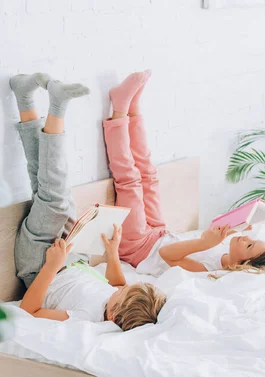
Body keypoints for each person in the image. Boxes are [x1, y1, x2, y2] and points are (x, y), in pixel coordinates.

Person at [103, 70, 265, 282]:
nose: (246, 239)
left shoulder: (207, 271)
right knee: (149, 176)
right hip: (158, 233)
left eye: (249, 246)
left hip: (137, 247)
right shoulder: (224, 253)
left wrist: (205, 243)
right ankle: (133, 109)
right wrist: (227, 230)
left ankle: (120, 109)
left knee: (131, 181)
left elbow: (166, 255)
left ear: (241, 265)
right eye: (253, 240)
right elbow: (196, 242)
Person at [9, 73, 166, 330]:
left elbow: (30, 310)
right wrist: (113, 254)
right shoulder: (118, 300)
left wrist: (52, 266)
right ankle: (24, 96)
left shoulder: (87, 318)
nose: (124, 287)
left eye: (124, 293)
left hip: (40, 265)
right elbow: (116, 285)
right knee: (46, 185)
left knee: (55, 198)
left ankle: (57, 106)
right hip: (72, 254)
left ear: (113, 316)